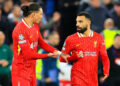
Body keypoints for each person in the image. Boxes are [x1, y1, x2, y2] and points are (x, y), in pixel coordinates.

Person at [11, 3, 68, 86]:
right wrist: (48, 55)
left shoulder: (35, 26)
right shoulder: (19, 30)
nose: (42, 17)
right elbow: (28, 55)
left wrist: (60, 53)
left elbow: (42, 43)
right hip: (21, 71)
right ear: (33, 14)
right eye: (40, 14)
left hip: (32, 70)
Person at [59, 12, 110, 86]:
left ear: (88, 22)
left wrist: (106, 71)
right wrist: (73, 57)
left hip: (93, 80)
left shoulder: (99, 37)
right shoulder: (70, 39)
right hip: (77, 79)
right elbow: (61, 58)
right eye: (77, 22)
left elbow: (104, 56)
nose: (77, 24)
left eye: (80, 22)